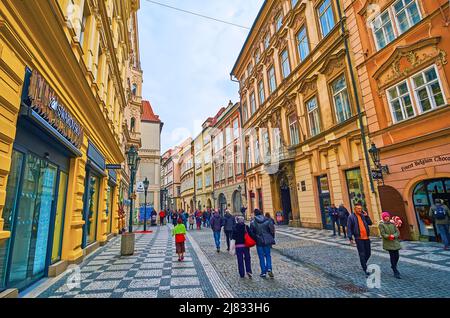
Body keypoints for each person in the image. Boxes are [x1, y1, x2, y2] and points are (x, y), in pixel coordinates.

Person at [347, 203, 373, 276]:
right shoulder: (351, 217)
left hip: (366, 237)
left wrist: (367, 216)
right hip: (359, 238)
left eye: (361, 208)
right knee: (362, 254)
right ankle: (365, 268)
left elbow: (370, 223)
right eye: (358, 208)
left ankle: (363, 263)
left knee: (368, 253)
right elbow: (349, 228)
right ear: (355, 209)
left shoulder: (363, 216)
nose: (360, 210)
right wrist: (350, 238)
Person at [250, 209, 275, 278]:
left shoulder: (253, 222)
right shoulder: (267, 220)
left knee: (261, 257)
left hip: (259, 241)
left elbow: (251, 233)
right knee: (268, 255)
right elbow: (272, 230)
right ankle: (269, 268)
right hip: (267, 240)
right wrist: (271, 237)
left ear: (255, 214)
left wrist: (255, 238)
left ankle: (263, 272)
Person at [379, 212, 402, 279]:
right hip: (388, 242)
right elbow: (383, 233)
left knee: (397, 256)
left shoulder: (393, 224)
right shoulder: (381, 225)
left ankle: (393, 265)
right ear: (383, 218)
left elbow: (397, 232)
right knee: (392, 256)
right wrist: (389, 236)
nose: (387, 218)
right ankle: (395, 271)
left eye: (387, 216)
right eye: (385, 217)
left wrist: (394, 236)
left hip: (395, 241)